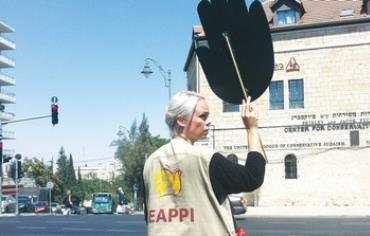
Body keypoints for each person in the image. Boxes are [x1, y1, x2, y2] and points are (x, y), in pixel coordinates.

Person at [143, 91, 266, 236]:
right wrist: (251, 129)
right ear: (181, 120)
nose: (208, 122)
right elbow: (252, 177)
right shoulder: (205, 158)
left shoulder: (150, 163)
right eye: (202, 116)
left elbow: (150, 213)